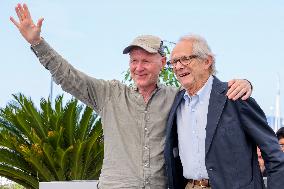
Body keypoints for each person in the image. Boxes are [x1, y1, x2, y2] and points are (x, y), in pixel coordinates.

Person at [10, 4, 253, 189]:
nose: (139, 67)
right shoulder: (109, 94)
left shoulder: (178, 98)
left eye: (146, 60)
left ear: (163, 62)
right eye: (134, 61)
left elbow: (207, 92)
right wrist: (37, 43)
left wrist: (245, 83)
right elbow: (67, 76)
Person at [164, 34, 284, 189]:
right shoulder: (177, 102)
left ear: (207, 61)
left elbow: (274, 155)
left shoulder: (235, 96)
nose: (178, 66)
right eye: (173, 62)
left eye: (185, 59)